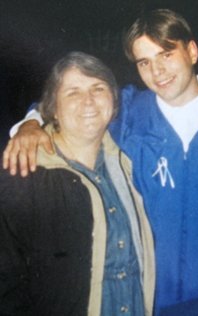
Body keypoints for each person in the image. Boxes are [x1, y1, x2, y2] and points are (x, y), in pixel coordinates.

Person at [3, 9, 198, 316]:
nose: (157, 71)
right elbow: (67, 105)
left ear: (191, 51)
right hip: (149, 301)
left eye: (166, 54)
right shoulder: (127, 115)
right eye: (144, 62)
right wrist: (31, 123)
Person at [0, 52, 155, 315]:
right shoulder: (21, 175)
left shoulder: (130, 160)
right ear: (52, 109)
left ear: (114, 103)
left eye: (98, 88)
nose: (89, 102)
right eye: (73, 92)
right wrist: (29, 123)